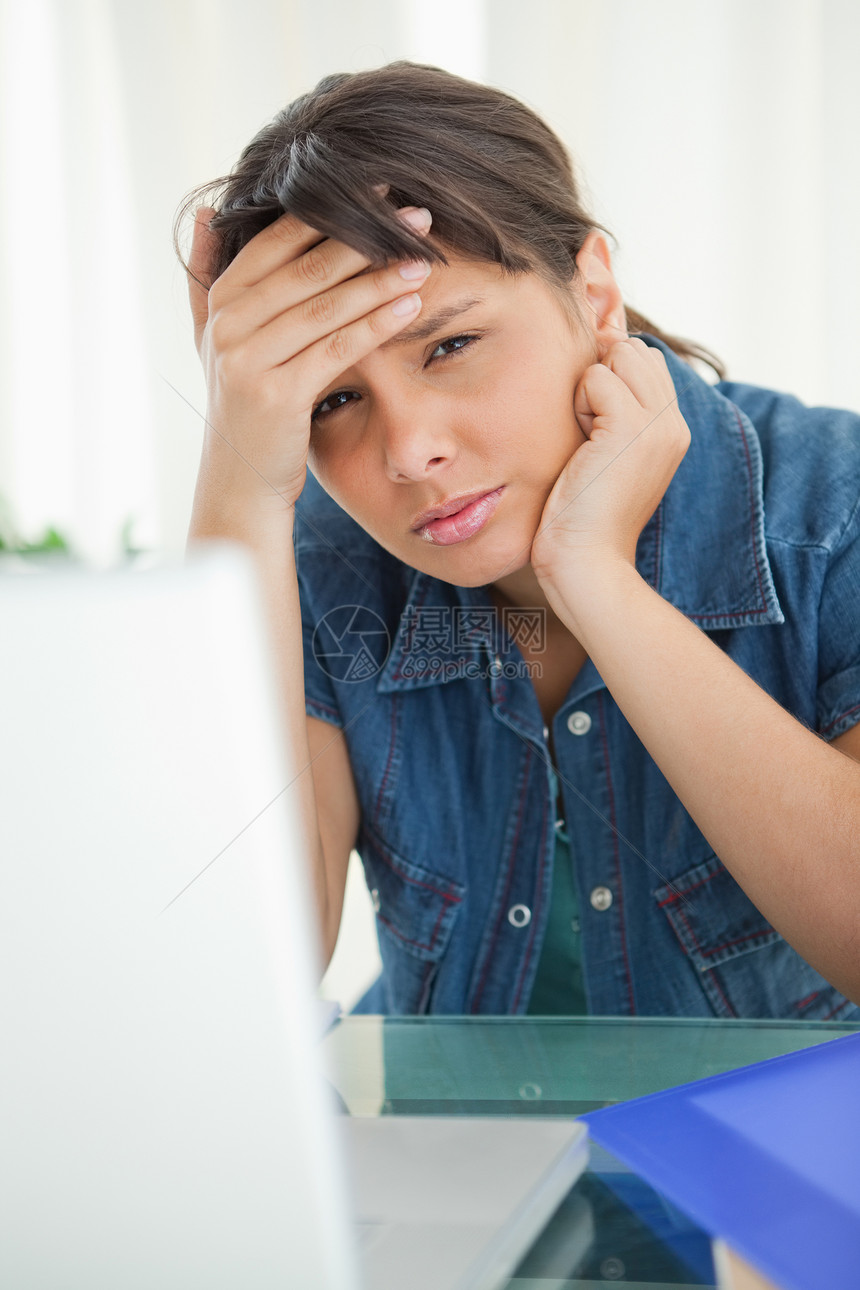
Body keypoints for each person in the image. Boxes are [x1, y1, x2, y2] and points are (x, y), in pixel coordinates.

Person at [179, 61, 860, 1020]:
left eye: (450, 346)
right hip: (447, 1165)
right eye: (333, 399)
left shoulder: (834, 511)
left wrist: (595, 579)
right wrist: (239, 485)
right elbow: (219, 996)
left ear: (593, 291)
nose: (411, 450)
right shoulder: (313, 564)